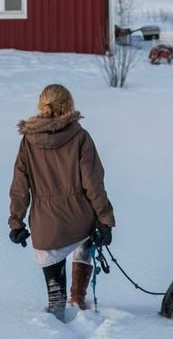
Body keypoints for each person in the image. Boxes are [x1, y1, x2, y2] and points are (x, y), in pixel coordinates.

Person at [8, 83, 115, 321]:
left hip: (46, 225)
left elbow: (19, 186)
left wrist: (16, 222)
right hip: (80, 217)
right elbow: (93, 183)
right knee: (87, 237)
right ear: (69, 106)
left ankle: (56, 304)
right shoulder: (80, 137)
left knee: (53, 260)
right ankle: (77, 296)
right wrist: (105, 220)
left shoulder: (28, 141)